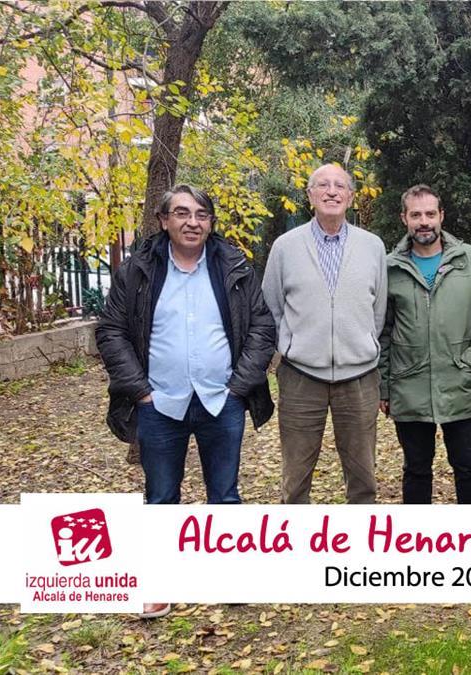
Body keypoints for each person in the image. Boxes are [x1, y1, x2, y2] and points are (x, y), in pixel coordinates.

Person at [96, 184, 276, 619]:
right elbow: (110, 330)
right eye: (181, 213)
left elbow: (262, 326)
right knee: (160, 497)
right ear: (164, 220)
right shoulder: (138, 269)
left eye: (201, 214)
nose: (192, 222)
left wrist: (238, 386)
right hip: (159, 402)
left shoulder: (233, 265)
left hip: (221, 400)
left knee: (226, 496)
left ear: (210, 222)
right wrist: (140, 390)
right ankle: (159, 585)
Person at [262, 164, 388, 505]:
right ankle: (299, 549)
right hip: (301, 377)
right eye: (323, 185)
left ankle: (359, 549)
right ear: (310, 195)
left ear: (349, 196)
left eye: (340, 186)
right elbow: (272, 305)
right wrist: (293, 345)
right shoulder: (285, 247)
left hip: (359, 377)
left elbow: (378, 309)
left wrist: (359, 343)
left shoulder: (372, 246)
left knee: (363, 478)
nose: (331, 191)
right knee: (296, 478)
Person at [379, 184, 471, 504]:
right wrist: (385, 385)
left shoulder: (470, 259)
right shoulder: (390, 267)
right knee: (416, 471)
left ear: (441, 216)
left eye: (430, 214)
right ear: (404, 218)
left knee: (469, 469)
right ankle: (418, 550)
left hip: (459, 381)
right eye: (416, 214)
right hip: (409, 386)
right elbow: (384, 329)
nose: (424, 221)